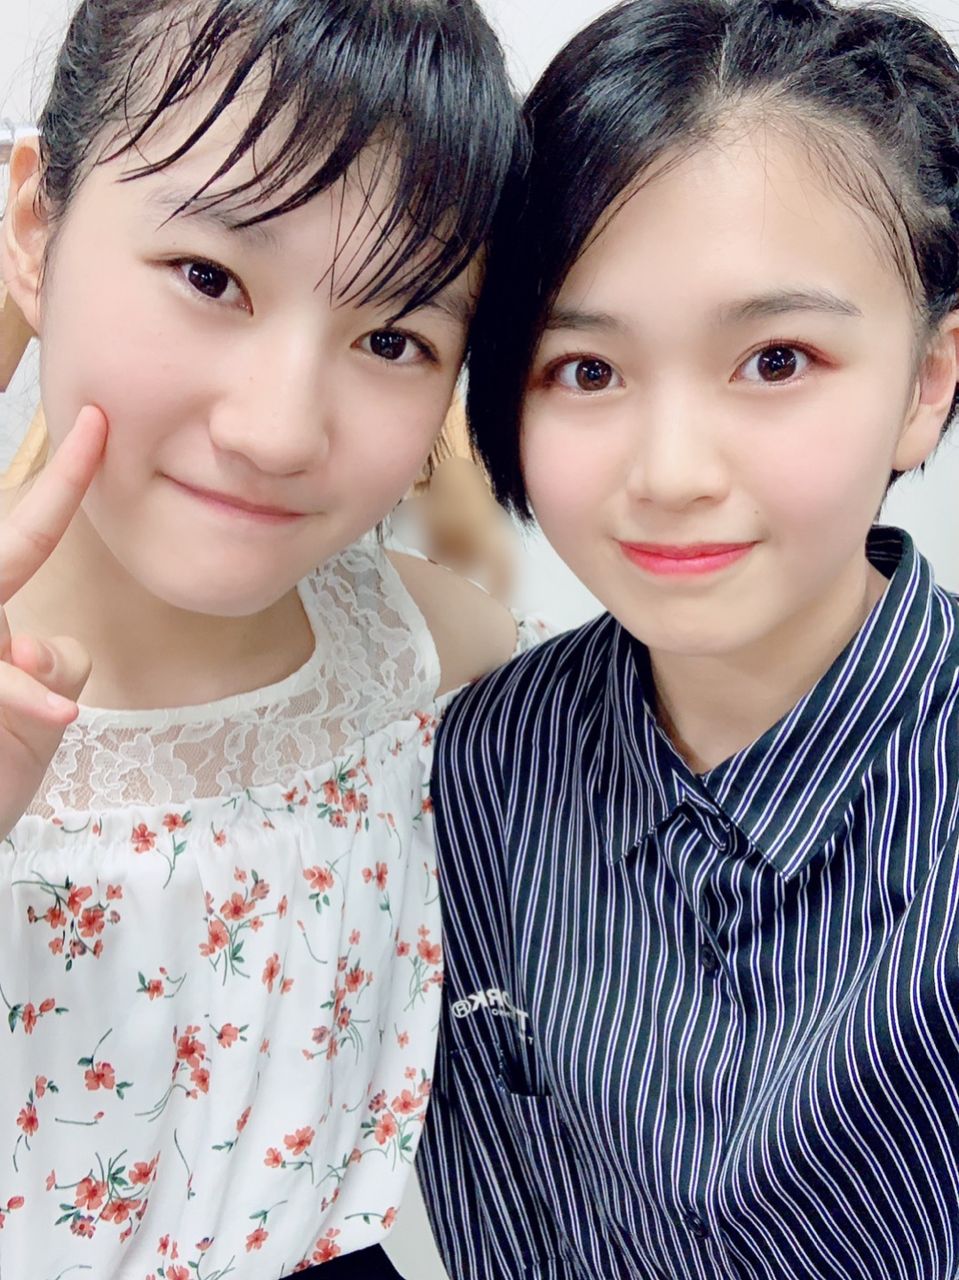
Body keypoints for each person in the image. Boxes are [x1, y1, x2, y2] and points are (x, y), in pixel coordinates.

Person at [417, 1, 959, 1277]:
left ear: (925, 383)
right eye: (586, 370)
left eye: (774, 360)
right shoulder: (487, 759)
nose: (668, 474)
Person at [0, 1, 538, 1276]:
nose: (280, 429)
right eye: (209, 277)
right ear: (35, 227)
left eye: (392, 338)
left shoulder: (429, 655)